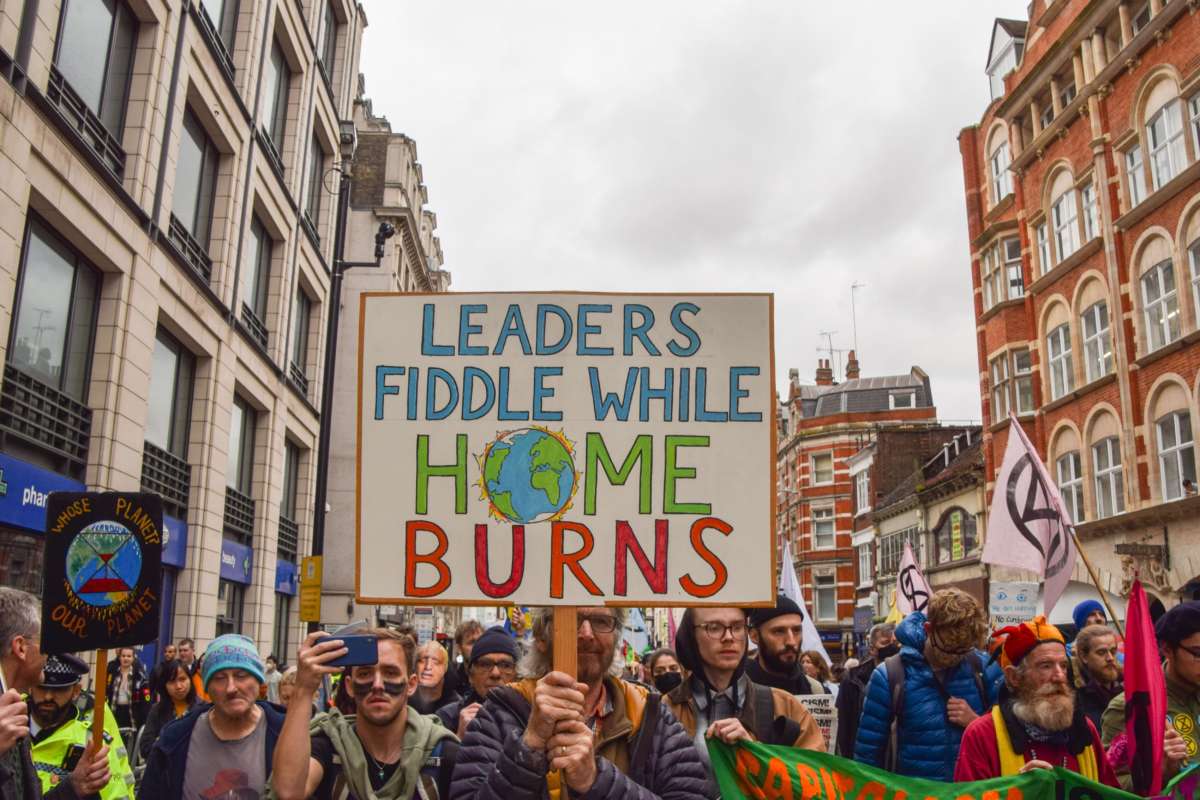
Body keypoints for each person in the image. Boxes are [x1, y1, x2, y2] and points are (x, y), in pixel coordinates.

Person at [449, 606, 707, 799]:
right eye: (572, 620)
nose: (586, 633)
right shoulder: (498, 713)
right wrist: (528, 747)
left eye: (601, 621)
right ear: (541, 636)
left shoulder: (649, 713)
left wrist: (597, 780)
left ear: (616, 637)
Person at [272, 628, 459, 800]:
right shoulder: (330, 745)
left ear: (411, 685)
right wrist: (304, 689)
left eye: (390, 672)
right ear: (349, 686)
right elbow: (289, 792)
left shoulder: (443, 753)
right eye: (364, 674)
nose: (377, 684)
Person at [666, 607, 825, 798]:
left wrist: (756, 756)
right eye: (714, 627)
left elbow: (817, 786)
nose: (728, 637)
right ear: (690, 636)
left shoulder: (786, 706)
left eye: (737, 627)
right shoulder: (663, 710)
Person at [954, 616, 1122, 783]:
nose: (1059, 676)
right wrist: (1019, 791)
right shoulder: (983, 735)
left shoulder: (1085, 729)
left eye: (1063, 666)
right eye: (1046, 666)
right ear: (1014, 677)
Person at [854, 587, 1000, 780]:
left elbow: (1012, 736)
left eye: (963, 650)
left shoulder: (983, 667)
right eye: (949, 649)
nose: (955, 658)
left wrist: (976, 723)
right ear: (929, 630)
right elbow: (867, 756)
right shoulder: (890, 676)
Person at [141, 633, 286, 798]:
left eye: (241, 675)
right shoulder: (174, 740)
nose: (231, 688)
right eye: (219, 678)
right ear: (207, 687)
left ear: (259, 681)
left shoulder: (286, 733)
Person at [0, 587, 109, 799]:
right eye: (45, 643)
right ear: (21, 647)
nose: (49, 654)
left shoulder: (13, 707)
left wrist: (74, 787)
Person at [1101, 601, 1200, 791]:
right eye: (1198, 653)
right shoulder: (1131, 707)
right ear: (1167, 650)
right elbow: (1110, 786)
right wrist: (1159, 773)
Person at [28, 654, 136, 799]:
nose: (48, 697)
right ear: (30, 688)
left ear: (76, 691)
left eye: (59, 690)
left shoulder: (93, 742)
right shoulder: (7, 724)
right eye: (41, 687)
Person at [437, 627, 518, 739]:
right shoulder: (448, 717)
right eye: (485, 664)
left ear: (516, 674)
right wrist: (458, 737)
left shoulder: (529, 718)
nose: (495, 673)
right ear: (470, 676)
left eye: (505, 665)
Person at [836, 625, 897, 758]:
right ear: (872, 649)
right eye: (885, 643)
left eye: (894, 643)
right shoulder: (853, 680)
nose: (891, 647)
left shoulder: (904, 676)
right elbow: (843, 724)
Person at [745, 595, 826, 695]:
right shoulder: (736, 691)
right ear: (754, 636)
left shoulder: (815, 690)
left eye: (796, 630)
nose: (791, 642)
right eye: (779, 631)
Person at [137, 659, 198, 763]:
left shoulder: (203, 709)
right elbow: (145, 748)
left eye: (182, 679)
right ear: (164, 685)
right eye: (172, 681)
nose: (178, 686)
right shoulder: (157, 710)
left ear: (190, 680)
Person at [1071, 624, 1122, 732]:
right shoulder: (1075, 699)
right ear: (1084, 656)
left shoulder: (1127, 687)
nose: (1110, 658)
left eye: (1113, 651)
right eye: (1101, 652)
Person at [105, 648, 149, 747]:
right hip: (115, 712)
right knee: (115, 744)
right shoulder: (113, 673)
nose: (126, 659)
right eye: (123, 656)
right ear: (119, 657)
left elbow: (146, 700)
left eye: (129, 656)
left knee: (131, 745)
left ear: (133, 658)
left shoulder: (140, 676)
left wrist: (144, 719)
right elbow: (106, 691)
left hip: (132, 714)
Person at [411, 641, 458, 716]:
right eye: (422, 661)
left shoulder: (456, 708)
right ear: (415, 666)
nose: (428, 667)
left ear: (445, 668)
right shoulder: (403, 701)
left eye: (436, 661)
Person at [450, 621, 485, 698]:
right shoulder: (451, 680)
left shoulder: (494, 675)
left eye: (480, 641)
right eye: (472, 642)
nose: (477, 646)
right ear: (459, 648)